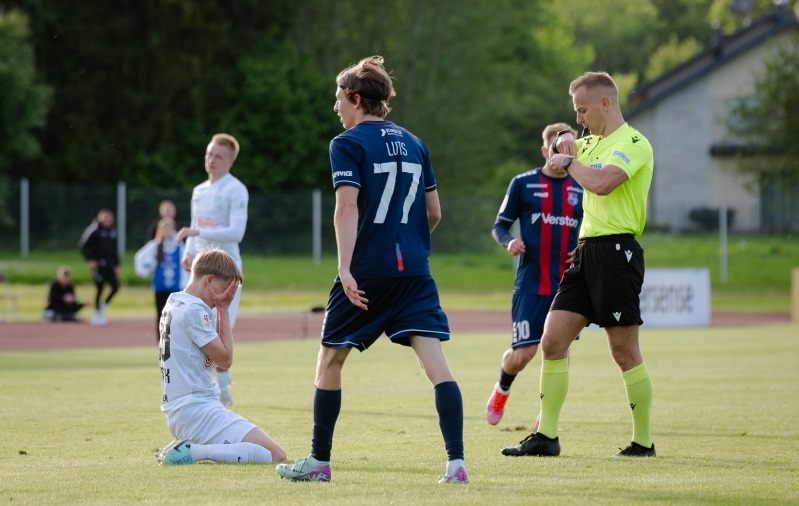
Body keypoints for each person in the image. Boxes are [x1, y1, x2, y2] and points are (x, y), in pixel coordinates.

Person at [276, 56, 467, 485]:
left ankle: (319, 463)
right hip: (415, 273)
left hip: (366, 273)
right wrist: (411, 243)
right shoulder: (417, 143)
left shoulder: (346, 143)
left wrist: (345, 268)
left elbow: (346, 207)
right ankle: (456, 465)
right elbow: (433, 211)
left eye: (339, 99)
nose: (336, 108)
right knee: (435, 364)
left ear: (356, 99)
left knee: (330, 361)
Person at [501, 71, 655, 458]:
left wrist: (569, 160)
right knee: (552, 342)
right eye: (575, 112)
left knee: (624, 351)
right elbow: (557, 154)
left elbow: (602, 183)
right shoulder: (587, 144)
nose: (579, 118)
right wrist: (560, 140)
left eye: (582, 110)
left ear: (606, 104)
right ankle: (546, 437)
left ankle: (643, 442)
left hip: (617, 252)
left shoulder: (633, 143)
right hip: (584, 253)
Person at [485, 123, 583, 428]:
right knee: (525, 353)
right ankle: (502, 389)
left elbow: (593, 230)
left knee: (559, 350)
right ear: (546, 151)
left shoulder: (582, 187)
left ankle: (547, 416)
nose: (565, 155)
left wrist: (581, 251)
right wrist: (509, 241)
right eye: (558, 149)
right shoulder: (523, 184)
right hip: (530, 284)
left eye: (571, 149)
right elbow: (499, 225)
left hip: (567, 285)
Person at [156, 248, 286, 465]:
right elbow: (225, 360)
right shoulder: (194, 310)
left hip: (182, 410)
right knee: (276, 455)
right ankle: (192, 451)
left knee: (245, 449)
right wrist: (224, 310)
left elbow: (214, 356)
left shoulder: (174, 301)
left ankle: (193, 446)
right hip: (197, 410)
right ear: (210, 280)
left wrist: (220, 307)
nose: (221, 299)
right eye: (223, 291)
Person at [176, 133, 248, 407]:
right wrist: (188, 251)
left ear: (230, 161)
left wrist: (197, 231)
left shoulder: (235, 189)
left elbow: (237, 232)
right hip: (198, 271)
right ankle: (203, 391)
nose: (211, 159)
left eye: (218, 156)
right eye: (209, 154)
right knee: (194, 326)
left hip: (226, 272)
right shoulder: (199, 191)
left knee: (220, 329)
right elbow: (195, 228)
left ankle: (225, 389)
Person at [134, 218, 187, 340]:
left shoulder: (179, 246)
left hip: (175, 286)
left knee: (175, 314)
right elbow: (139, 257)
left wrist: (184, 283)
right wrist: (145, 272)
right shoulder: (155, 245)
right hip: (160, 285)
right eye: (164, 229)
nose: (167, 232)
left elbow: (184, 265)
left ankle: (174, 338)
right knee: (161, 313)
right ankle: (161, 339)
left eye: (169, 229)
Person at [81, 209, 120, 326]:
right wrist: (90, 260)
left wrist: (117, 265)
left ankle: (102, 306)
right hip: (99, 265)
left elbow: (114, 251)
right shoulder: (94, 230)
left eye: (109, 218)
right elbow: (84, 246)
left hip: (109, 265)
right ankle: (96, 313)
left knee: (115, 286)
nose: (107, 220)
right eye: (104, 218)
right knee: (100, 288)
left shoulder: (112, 232)